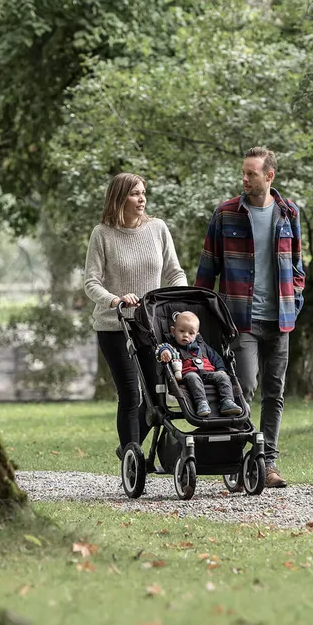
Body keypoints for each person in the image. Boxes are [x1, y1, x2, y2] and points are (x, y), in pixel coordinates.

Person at [195, 147, 305, 489]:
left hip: (281, 321)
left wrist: (295, 299)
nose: (244, 179)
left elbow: (298, 266)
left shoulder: (289, 213)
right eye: (243, 173)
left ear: (269, 176)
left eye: (251, 174)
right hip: (240, 320)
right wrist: (200, 317)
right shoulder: (226, 214)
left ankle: (267, 463)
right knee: (245, 386)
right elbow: (206, 271)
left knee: (275, 392)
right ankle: (243, 457)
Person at [84, 173, 188, 460]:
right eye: (134, 194)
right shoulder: (102, 233)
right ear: (120, 198)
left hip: (151, 325)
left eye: (143, 193)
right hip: (115, 326)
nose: (142, 199)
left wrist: (180, 299)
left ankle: (127, 450)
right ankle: (134, 457)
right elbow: (91, 282)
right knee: (131, 394)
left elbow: (174, 272)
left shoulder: (158, 229)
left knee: (156, 397)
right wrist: (114, 299)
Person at [155, 311, 242, 418]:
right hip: (188, 374)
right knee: (193, 378)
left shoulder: (203, 346)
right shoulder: (172, 346)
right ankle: (202, 403)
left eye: (191, 333)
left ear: (197, 335)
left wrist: (221, 369)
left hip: (209, 373)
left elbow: (217, 358)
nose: (186, 335)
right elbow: (161, 348)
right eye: (181, 331)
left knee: (223, 377)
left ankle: (227, 401)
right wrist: (165, 352)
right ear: (173, 331)